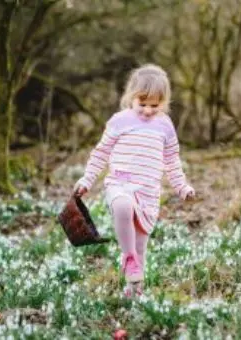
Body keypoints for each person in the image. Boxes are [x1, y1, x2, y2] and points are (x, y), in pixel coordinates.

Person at [74, 64, 195, 297]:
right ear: (131, 97)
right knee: (123, 206)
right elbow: (100, 153)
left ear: (164, 102)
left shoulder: (165, 126)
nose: (148, 110)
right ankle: (128, 257)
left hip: (148, 191)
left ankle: (134, 291)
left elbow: (172, 160)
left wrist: (182, 186)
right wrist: (87, 179)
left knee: (141, 245)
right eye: (143, 103)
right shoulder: (120, 121)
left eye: (155, 105)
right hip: (120, 184)